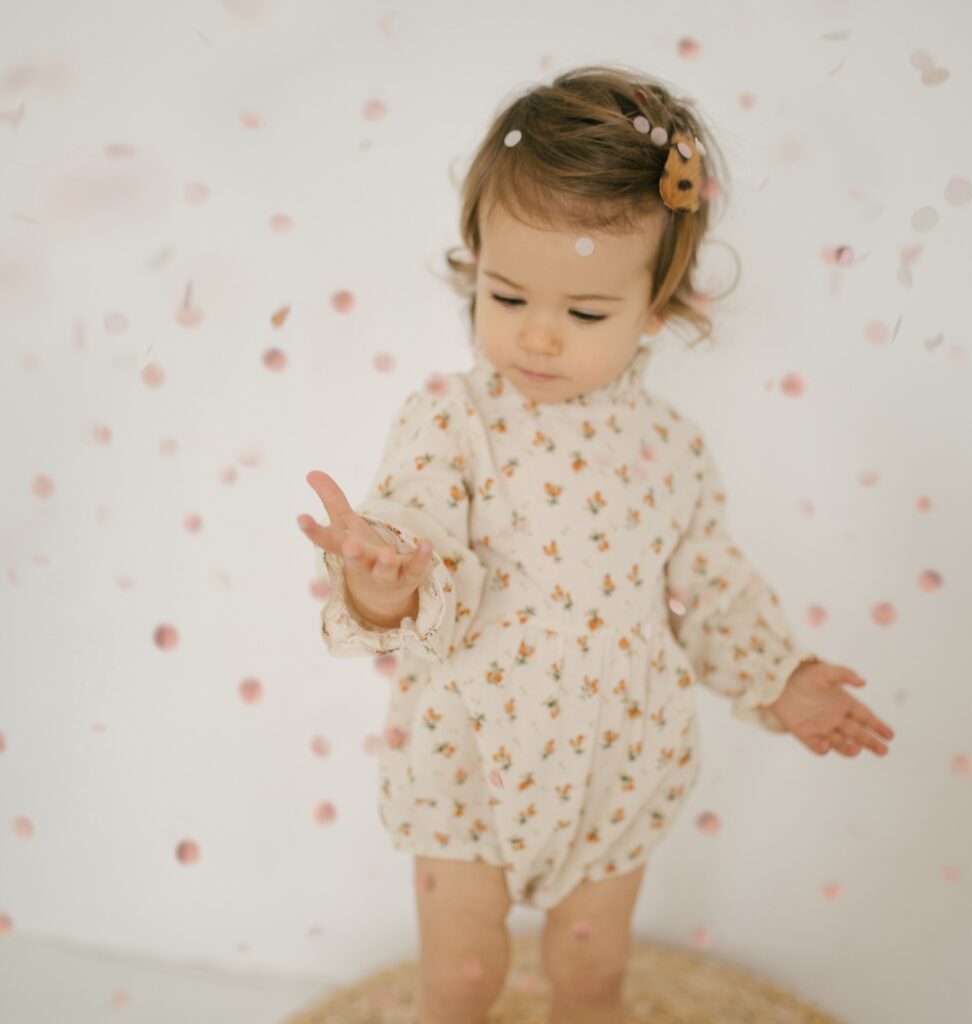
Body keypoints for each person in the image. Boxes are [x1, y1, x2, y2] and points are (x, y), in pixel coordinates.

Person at [296, 64, 895, 1024]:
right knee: (460, 980)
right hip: (467, 758)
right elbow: (414, 537)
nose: (538, 338)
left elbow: (710, 587)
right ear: (474, 268)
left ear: (656, 307)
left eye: (583, 313)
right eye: (506, 297)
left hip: (617, 763)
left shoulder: (670, 449)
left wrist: (781, 678)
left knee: (593, 980)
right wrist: (381, 579)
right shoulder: (451, 421)